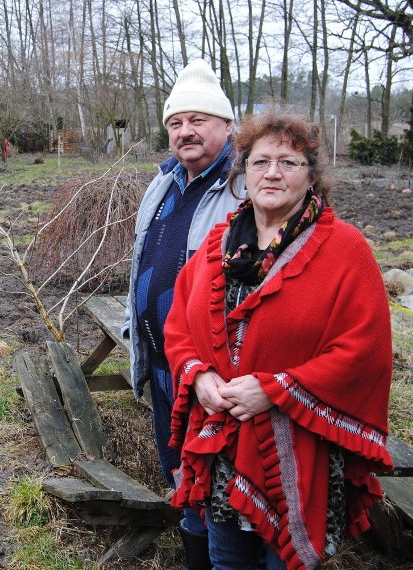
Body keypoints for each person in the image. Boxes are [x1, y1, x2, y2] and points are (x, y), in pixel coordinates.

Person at [163, 110, 394, 570]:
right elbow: (179, 326)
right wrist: (199, 375)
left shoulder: (345, 250)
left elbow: (365, 352)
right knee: (227, 561)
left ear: (312, 176)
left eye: (288, 162)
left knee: (283, 564)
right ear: (242, 171)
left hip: (298, 449)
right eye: (259, 161)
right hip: (224, 443)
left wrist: (275, 390)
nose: (271, 173)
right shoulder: (220, 244)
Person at [122, 59, 246, 570]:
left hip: (212, 373)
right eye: (176, 122)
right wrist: (137, 329)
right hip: (163, 364)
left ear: (227, 126)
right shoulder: (165, 182)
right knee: (178, 468)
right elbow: (142, 260)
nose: (185, 131)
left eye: (198, 120)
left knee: (215, 478)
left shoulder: (245, 188)